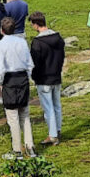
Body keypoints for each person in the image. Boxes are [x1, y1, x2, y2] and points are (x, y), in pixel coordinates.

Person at [0, 17, 35, 159]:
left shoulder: (0, 45)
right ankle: (30, 147)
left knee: (12, 116)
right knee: (24, 113)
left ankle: (17, 149)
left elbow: (0, 67)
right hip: (22, 77)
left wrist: (0, 83)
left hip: (9, 80)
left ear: (1, 30)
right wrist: (30, 77)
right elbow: (29, 63)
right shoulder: (22, 42)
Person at [29, 11, 65, 146]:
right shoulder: (58, 38)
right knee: (57, 105)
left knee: (48, 108)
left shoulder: (37, 42)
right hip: (56, 75)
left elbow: (35, 63)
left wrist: (34, 76)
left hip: (43, 78)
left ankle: (53, 135)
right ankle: (58, 129)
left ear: (35, 24)